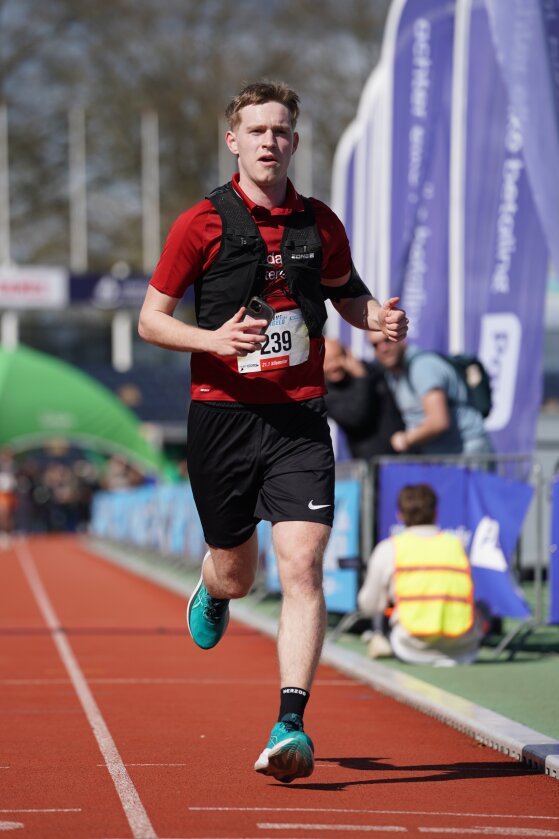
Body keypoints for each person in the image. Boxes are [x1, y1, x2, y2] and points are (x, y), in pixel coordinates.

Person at [138, 80, 408, 783]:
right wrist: (213, 339)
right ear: (234, 141)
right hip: (222, 417)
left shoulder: (320, 223)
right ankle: (214, 586)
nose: (269, 141)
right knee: (239, 572)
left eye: (281, 130)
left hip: (299, 417)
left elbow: (348, 294)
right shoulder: (200, 223)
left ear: (294, 141)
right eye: (257, 130)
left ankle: (290, 723)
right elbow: (150, 320)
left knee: (303, 565)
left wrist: (377, 319)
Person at [358, 483, 483, 665]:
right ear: (435, 513)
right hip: (463, 648)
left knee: (384, 609)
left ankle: (381, 641)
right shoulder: (457, 545)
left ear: (400, 515)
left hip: (411, 647)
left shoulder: (390, 547)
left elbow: (368, 605)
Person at [369, 336, 493, 456]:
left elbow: (438, 422)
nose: (383, 348)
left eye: (387, 340)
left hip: (465, 453)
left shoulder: (422, 367)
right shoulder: (393, 374)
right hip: (442, 455)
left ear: (402, 338)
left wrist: (405, 439)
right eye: (375, 345)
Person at [323, 336, 404, 458]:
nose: (334, 365)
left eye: (337, 357)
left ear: (347, 354)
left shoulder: (369, 370)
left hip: (401, 453)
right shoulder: (325, 394)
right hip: (369, 460)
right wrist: (361, 377)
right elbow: (357, 418)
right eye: (327, 361)